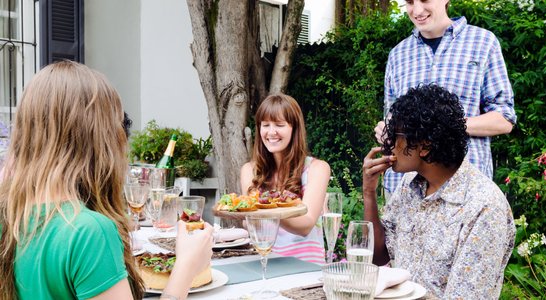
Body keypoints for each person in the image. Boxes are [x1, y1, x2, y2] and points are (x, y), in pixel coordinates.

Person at [0, 61, 213, 300]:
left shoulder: (9, 216)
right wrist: (186, 266)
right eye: (119, 127)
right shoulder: (89, 232)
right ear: (100, 140)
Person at [363, 84, 515, 298]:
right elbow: (378, 256)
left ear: (424, 146)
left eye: (396, 135)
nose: (388, 144)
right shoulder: (410, 185)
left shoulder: (484, 207)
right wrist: (369, 193)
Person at [376, 0, 517, 196]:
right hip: (405, 193)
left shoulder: (483, 42)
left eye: (425, 0)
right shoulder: (398, 54)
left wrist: (445, 127)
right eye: (409, 2)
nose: (417, 10)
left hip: (466, 190)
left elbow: (504, 119)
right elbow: (392, 119)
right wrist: (387, 130)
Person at [240, 93, 331, 265]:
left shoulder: (317, 169)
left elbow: (306, 225)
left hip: (305, 268)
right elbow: (252, 224)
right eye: (265, 125)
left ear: (294, 128)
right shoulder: (249, 170)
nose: (271, 132)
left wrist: (262, 210)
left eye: (279, 125)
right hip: (265, 263)